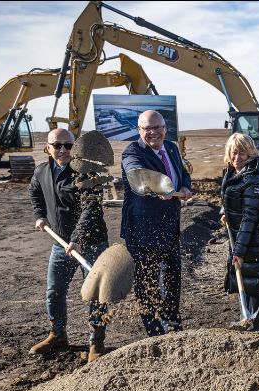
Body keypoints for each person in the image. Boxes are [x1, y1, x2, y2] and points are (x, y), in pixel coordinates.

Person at [28, 128, 109, 363]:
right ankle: (58, 335)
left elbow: (91, 208)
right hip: (60, 243)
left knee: (95, 294)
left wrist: (77, 237)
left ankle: (96, 342)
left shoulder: (86, 174)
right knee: (54, 291)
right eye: (57, 145)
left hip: (91, 244)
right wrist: (40, 215)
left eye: (68, 145)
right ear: (48, 147)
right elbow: (34, 192)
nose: (63, 150)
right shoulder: (41, 171)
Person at [121, 110, 192, 336]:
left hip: (170, 225)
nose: (153, 132)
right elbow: (136, 173)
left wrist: (185, 186)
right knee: (147, 281)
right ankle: (154, 331)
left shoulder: (171, 147)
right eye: (147, 128)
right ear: (139, 130)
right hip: (143, 229)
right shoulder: (132, 151)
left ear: (165, 128)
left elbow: (182, 172)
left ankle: (172, 322)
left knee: (172, 277)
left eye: (157, 127)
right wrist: (157, 186)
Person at [220, 133, 259, 332]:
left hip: (254, 242)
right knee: (245, 284)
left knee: (256, 288)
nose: (237, 158)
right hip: (241, 239)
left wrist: (239, 251)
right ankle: (249, 326)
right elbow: (233, 199)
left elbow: (250, 217)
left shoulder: (255, 178)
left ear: (250, 154)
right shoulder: (234, 172)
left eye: (242, 154)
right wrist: (226, 212)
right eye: (234, 153)